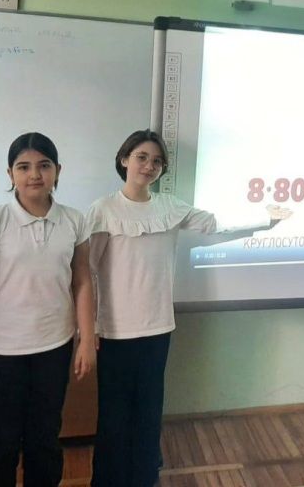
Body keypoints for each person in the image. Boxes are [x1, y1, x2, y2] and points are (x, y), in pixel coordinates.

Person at [88, 129, 290, 487]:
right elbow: (88, 270)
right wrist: (88, 326)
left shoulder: (169, 206)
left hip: (157, 327)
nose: (149, 166)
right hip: (114, 331)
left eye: (156, 161)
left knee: (149, 411)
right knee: (114, 415)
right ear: (124, 160)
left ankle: (144, 478)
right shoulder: (103, 210)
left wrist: (265, 219)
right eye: (141, 157)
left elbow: (215, 226)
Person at [0, 132, 96, 487]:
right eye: (23, 167)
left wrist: (86, 339)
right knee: (0, 443)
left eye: (44, 165)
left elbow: (82, 281)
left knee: (45, 439)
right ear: (10, 174)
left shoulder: (74, 220)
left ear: (57, 170)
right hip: (0, 352)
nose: (34, 174)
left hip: (54, 347)